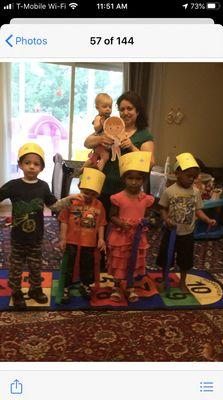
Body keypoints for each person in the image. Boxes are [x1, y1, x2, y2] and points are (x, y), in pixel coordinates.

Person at [0, 142, 78, 310]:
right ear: (20, 164)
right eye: (27, 162)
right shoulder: (13, 185)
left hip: (36, 237)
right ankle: (16, 292)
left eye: (36, 164)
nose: (31, 167)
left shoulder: (43, 186)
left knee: (36, 265)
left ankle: (35, 289)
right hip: (18, 238)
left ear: (42, 167)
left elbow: (53, 205)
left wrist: (68, 200)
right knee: (16, 266)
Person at [84, 91, 155, 219]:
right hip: (101, 186)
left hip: (126, 192)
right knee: (98, 225)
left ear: (137, 111)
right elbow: (87, 142)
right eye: (122, 109)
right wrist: (100, 139)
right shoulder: (112, 126)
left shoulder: (144, 134)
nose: (125, 112)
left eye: (130, 108)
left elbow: (149, 163)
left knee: (121, 228)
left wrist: (131, 146)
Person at [157, 152, 216, 293]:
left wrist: (207, 219)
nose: (191, 179)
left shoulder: (195, 193)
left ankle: (182, 282)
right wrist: (166, 219)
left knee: (185, 260)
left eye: (194, 177)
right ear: (177, 173)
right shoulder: (169, 191)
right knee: (167, 258)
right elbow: (162, 209)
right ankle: (165, 281)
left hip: (187, 234)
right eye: (188, 176)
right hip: (171, 232)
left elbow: (198, 210)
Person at [106, 151, 154, 302]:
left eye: (138, 179)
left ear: (143, 180)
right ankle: (116, 286)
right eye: (130, 178)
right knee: (119, 261)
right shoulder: (118, 198)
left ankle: (130, 287)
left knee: (133, 262)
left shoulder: (146, 199)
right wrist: (121, 223)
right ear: (124, 179)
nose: (134, 182)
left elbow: (147, 215)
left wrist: (147, 221)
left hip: (137, 236)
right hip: (121, 235)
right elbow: (111, 216)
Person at [57, 167, 107, 302]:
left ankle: (85, 284)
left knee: (87, 264)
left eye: (93, 193)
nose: (89, 196)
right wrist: (63, 239)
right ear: (79, 186)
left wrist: (101, 239)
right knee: (69, 264)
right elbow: (64, 221)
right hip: (71, 240)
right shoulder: (71, 202)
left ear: (98, 193)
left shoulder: (99, 205)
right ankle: (66, 286)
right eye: (86, 192)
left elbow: (102, 223)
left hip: (89, 242)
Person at [82, 93, 113, 172]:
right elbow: (96, 128)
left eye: (110, 107)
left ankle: (82, 169)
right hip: (100, 143)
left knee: (93, 158)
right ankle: (99, 170)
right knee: (105, 157)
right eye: (105, 107)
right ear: (97, 108)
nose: (108, 109)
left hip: (104, 143)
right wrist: (101, 124)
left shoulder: (109, 119)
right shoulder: (98, 117)